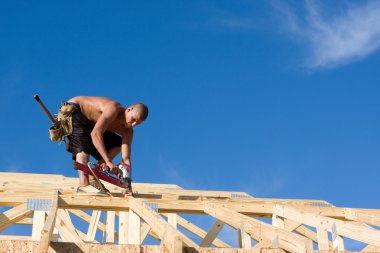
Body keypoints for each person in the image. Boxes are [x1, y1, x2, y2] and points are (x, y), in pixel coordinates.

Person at [64, 96, 148, 196]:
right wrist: (108, 161)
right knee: (84, 144)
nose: (133, 124)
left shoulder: (128, 131)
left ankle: (93, 176)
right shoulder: (113, 109)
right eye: (133, 119)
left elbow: (126, 160)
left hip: (92, 124)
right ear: (129, 109)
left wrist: (127, 186)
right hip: (75, 110)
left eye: (137, 124)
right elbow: (95, 134)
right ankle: (84, 186)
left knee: (117, 144)